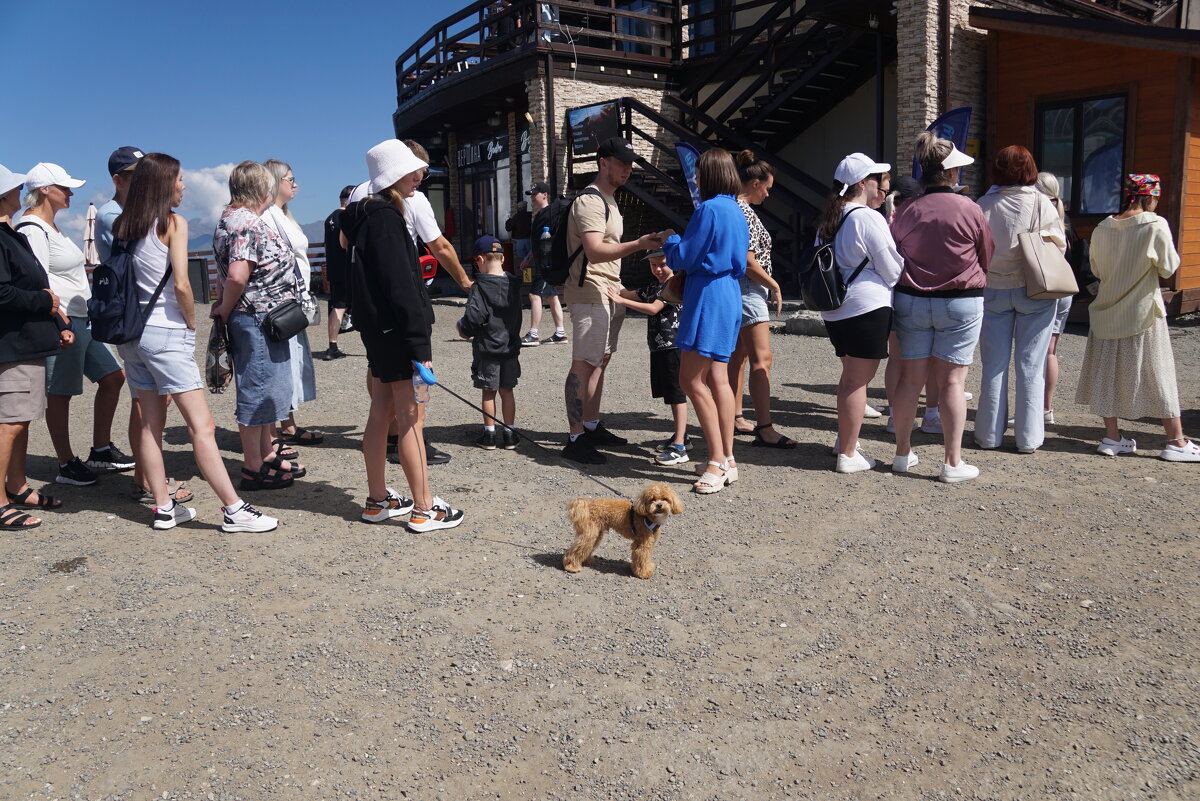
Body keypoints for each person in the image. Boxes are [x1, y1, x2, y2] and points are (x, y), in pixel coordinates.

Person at [112, 153, 277, 532]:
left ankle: (163, 507)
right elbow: (183, 284)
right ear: (163, 184)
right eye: (179, 179)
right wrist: (190, 322)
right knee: (202, 427)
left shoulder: (124, 225)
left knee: (150, 425)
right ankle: (234, 509)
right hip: (166, 333)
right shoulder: (172, 223)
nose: (184, 186)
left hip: (133, 336)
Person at [342, 139, 464, 530]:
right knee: (411, 418)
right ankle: (425, 508)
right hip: (398, 331)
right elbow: (402, 286)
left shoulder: (360, 213)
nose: (419, 176)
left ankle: (377, 499)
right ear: (396, 174)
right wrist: (418, 343)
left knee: (380, 412)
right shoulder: (388, 219)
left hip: (377, 330)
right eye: (412, 170)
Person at [17, 163, 134, 486]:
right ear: (45, 190)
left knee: (113, 377)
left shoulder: (51, 227)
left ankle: (101, 448)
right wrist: (59, 322)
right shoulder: (32, 229)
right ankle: (66, 461)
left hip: (82, 318)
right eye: (64, 188)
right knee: (61, 392)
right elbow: (38, 280)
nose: (70, 193)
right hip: (64, 321)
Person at [890, 133, 994, 483]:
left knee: (910, 379)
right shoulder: (970, 209)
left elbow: (895, 253)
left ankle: (902, 453)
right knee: (952, 381)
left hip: (912, 299)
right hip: (961, 300)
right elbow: (986, 254)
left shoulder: (907, 209)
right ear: (951, 172)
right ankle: (952, 462)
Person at [1075, 174, 1198, 462]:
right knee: (1158, 374)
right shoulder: (1155, 225)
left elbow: (1097, 269)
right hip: (1142, 312)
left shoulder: (1102, 227)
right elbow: (1168, 267)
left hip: (1106, 311)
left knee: (1107, 375)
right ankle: (1176, 441)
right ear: (1150, 197)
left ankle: (1112, 437)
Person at [561, 137, 664, 464]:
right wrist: (638, 244)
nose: (627, 169)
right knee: (583, 363)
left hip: (608, 290)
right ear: (602, 162)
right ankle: (575, 437)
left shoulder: (610, 199)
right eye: (621, 163)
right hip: (590, 291)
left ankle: (590, 425)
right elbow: (594, 251)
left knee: (600, 360)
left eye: (630, 164)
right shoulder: (590, 201)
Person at [211, 161, 306, 492]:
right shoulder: (246, 223)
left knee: (266, 388)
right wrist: (225, 308)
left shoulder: (234, 218)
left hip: (260, 318)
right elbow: (238, 275)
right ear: (262, 188)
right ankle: (253, 465)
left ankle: (265, 454)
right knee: (258, 389)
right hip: (257, 319)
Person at [662, 148, 747, 493]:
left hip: (708, 295)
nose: (695, 178)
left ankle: (717, 461)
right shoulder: (737, 209)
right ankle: (727, 458)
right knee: (718, 378)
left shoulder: (708, 209)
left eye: (698, 173)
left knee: (690, 379)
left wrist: (669, 240)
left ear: (710, 174)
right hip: (729, 292)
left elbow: (684, 256)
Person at [814, 153, 903, 474]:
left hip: (835, 309)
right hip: (867, 307)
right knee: (857, 381)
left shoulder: (830, 217)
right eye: (878, 179)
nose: (882, 185)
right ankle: (849, 453)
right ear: (863, 183)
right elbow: (892, 268)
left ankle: (845, 441)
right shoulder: (866, 217)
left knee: (850, 377)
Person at [975, 146, 1064, 454]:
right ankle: (1028, 438)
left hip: (993, 289)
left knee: (993, 365)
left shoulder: (983, 204)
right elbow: (1058, 248)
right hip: (1034, 289)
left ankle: (989, 435)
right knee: (1031, 365)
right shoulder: (1041, 203)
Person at [0, 163, 73, 528]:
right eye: (14, 189)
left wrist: (54, 318)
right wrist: (45, 303)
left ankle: (17, 486)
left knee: (21, 419)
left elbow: (33, 285)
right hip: (12, 344)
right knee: (9, 422)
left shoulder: (10, 234)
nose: (20, 192)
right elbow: (3, 293)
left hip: (25, 342)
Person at [396, 139, 471, 467]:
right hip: (406, 292)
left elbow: (344, 242)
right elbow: (439, 246)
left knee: (380, 370)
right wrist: (466, 283)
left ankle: (391, 435)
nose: (421, 180)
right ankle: (414, 439)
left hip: (372, 297)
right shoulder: (414, 199)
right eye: (420, 172)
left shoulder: (360, 194)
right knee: (419, 367)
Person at [727, 151, 794, 448]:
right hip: (750, 288)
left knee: (738, 358)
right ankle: (765, 428)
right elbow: (747, 261)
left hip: (743, 288)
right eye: (766, 188)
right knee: (762, 360)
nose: (768, 194)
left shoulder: (734, 207)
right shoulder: (743, 211)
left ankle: (735, 416)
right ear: (754, 184)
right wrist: (774, 285)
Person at [606, 249, 690, 465]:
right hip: (659, 347)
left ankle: (680, 446)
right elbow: (628, 293)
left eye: (663, 264)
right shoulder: (653, 286)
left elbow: (653, 308)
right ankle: (682, 436)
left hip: (673, 346)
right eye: (653, 265)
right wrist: (609, 274)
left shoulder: (675, 284)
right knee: (670, 394)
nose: (658, 269)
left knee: (677, 395)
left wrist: (620, 300)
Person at [261, 159, 322, 447]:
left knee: (291, 363)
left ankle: (287, 425)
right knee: (280, 364)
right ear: (276, 182)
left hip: (294, 300)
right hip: (281, 302)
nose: (295, 184)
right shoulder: (267, 216)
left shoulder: (283, 214)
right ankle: (272, 432)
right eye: (290, 179)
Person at [457, 236, 522, 450]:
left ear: (480, 259)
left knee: (488, 392)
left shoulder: (479, 287)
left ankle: (490, 435)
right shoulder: (514, 284)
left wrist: (462, 327)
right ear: (502, 259)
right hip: (510, 347)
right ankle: (510, 434)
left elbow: (474, 318)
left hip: (487, 349)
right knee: (507, 391)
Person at [1036, 171, 1070, 424]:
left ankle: (1037, 409)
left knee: (1036, 353)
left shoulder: (1039, 214)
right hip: (1063, 287)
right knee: (1050, 352)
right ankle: (1046, 408)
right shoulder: (1062, 218)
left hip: (1042, 288)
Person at [519, 181, 566, 345]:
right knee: (552, 296)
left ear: (545, 195)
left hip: (546, 264)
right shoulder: (541, 214)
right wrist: (528, 258)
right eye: (531, 194)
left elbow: (547, 241)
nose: (532, 197)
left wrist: (532, 258)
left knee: (534, 295)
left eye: (535, 194)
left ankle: (533, 334)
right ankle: (560, 333)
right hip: (543, 261)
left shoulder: (549, 214)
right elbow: (539, 242)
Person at [321, 184, 356, 360]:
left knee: (338, 306)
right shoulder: (348, 216)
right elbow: (346, 243)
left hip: (333, 268)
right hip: (348, 268)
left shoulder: (329, 218)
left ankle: (332, 346)